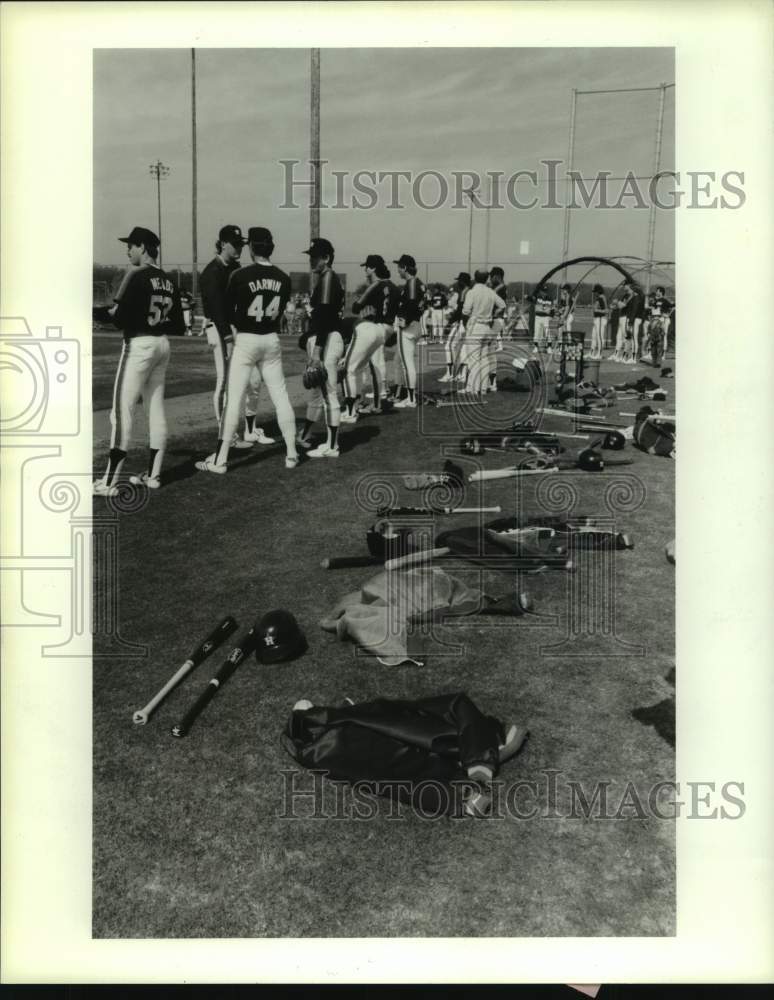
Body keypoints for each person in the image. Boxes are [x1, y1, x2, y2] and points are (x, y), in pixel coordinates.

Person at [196, 227, 298, 474]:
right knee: (280, 395)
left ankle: (220, 460)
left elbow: (228, 308)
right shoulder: (284, 278)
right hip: (271, 338)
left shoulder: (241, 275)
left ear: (251, 247)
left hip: (246, 339)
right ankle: (292, 453)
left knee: (233, 399)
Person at [94, 226, 184, 496]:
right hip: (162, 344)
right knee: (155, 408)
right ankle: (154, 475)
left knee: (121, 412)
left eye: (132, 245)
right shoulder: (168, 280)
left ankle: (109, 483)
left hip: (139, 345)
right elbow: (179, 324)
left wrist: (98, 314)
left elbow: (119, 318)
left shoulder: (136, 275)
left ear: (143, 248)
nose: (128, 249)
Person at [199, 224, 274, 448]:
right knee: (224, 382)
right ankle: (227, 437)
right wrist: (228, 337)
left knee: (251, 380)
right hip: (220, 330)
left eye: (241, 244)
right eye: (235, 244)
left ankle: (249, 430)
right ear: (223, 243)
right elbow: (217, 309)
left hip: (235, 330)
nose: (239, 248)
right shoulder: (212, 271)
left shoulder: (235, 268)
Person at [295, 237, 346, 456]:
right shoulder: (328, 278)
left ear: (326, 257)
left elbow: (324, 317)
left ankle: (332, 446)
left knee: (328, 394)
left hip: (326, 339)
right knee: (318, 393)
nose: (312, 260)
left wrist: (317, 351)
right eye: (311, 257)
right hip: (328, 337)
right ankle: (305, 434)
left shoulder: (327, 278)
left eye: (316, 257)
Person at [340, 253, 399, 420]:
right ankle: (373, 404)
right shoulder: (394, 286)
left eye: (367, 267)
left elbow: (356, 308)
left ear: (373, 268)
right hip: (388, 328)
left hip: (375, 327)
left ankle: (351, 411)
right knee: (371, 367)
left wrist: (366, 304)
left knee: (351, 369)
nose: (365, 270)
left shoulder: (376, 285)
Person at [461, 269, 506, 395]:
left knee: (474, 359)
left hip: (476, 326)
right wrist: (492, 313)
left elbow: (465, 311)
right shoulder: (490, 292)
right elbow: (502, 305)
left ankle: (474, 389)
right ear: (486, 279)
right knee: (485, 358)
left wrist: (467, 322)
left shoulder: (472, 292)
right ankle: (483, 388)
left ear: (475, 278)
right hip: (487, 327)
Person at [392, 253, 426, 407]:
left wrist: (403, 321)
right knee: (405, 362)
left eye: (399, 267)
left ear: (405, 267)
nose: (398, 270)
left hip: (409, 327)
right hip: (416, 324)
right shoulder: (418, 283)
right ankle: (407, 395)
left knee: (407, 363)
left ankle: (410, 399)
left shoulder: (411, 283)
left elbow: (411, 304)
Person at [439, 271, 472, 384]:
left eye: (459, 281)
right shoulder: (471, 291)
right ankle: (462, 375)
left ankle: (450, 373)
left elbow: (460, 310)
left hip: (463, 322)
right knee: (463, 348)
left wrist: (450, 322)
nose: (458, 283)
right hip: (470, 324)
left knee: (449, 346)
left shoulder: (464, 292)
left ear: (463, 282)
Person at [488, 266, 508, 361]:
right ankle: (492, 373)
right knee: (489, 347)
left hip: (496, 319)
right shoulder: (498, 287)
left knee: (489, 347)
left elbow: (501, 305)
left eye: (492, 276)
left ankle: (492, 374)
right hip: (495, 318)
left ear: (497, 276)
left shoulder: (501, 287)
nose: (490, 278)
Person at [531, 284, 554, 352]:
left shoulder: (550, 298)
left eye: (545, 291)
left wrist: (550, 315)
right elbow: (536, 308)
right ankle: (536, 347)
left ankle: (549, 347)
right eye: (543, 291)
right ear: (540, 291)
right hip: (538, 317)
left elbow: (550, 310)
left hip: (546, 317)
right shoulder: (537, 297)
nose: (544, 293)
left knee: (547, 332)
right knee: (536, 332)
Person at [589, 283, 608, 360]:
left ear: (598, 291)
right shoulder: (599, 298)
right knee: (594, 336)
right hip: (597, 319)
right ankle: (592, 352)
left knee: (599, 337)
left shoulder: (601, 298)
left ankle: (599, 353)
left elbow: (606, 310)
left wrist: (596, 310)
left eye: (595, 291)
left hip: (600, 319)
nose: (595, 293)